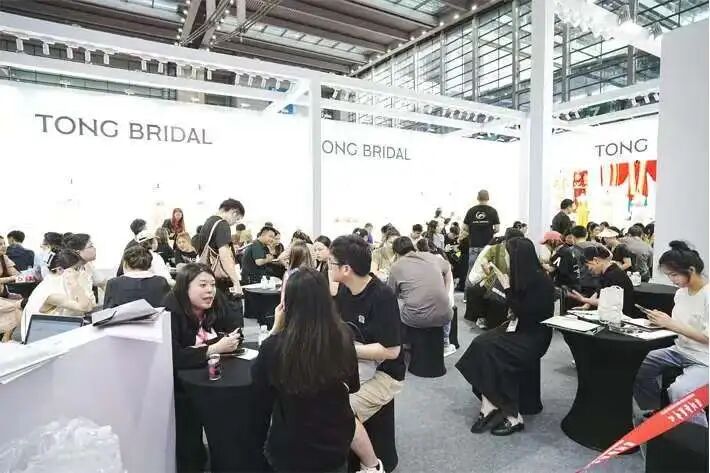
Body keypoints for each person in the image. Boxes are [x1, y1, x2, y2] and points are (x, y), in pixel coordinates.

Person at [252, 268, 385, 473]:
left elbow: (260, 390)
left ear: (287, 303)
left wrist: (275, 330)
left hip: (290, 450)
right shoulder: (344, 336)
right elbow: (353, 386)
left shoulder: (274, 346)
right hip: (334, 446)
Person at [456, 237, 554, 436]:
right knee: (480, 344)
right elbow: (512, 308)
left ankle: (512, 416)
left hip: (534, 337)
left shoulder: (542, 282)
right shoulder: (522, 275)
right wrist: (500, 283)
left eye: (509, 256)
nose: (507, 260)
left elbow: (526, 313)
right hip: (519, 329)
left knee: (490, 351)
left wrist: (507, 288)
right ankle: (489, 405)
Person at [164, 264, 243, 472]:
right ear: (185, 287)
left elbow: (235, 332)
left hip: (216, 376)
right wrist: (214, 347)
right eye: (202, 285)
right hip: (182, 387)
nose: (210, 290)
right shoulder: (171, 312)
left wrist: (205, 348)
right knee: (189, 441)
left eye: (212, 285)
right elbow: (175, 356)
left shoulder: (215, 302)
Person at [633, 241, 708, 426]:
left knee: (680, 391)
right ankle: (653, 411)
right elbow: (679, 326)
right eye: (669, 275)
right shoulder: (681, 293)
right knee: (638, 365)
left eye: (674, 275)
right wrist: (659, 321)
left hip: (705, 359)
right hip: (680, 350)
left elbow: (706, 338)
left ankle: (697, 437)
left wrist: (670, 323)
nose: (671, 280)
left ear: (691, 270)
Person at [331, 235, 405, 423]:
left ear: (346, 269)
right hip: (354, 362)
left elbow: (392, 351)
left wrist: (346, 349)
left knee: (335, 411)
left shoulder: (382, 296)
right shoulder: (345, 289)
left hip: (385, 372)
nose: (329, 267)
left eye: (331, 263)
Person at [390, 236, 455, 356]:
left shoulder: (396, 266)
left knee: (395, 302)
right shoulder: (431, 257)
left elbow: (391, 293)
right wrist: (446, 291)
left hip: (416, 319)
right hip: (445, 315)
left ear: (396, 253)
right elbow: (448, 269)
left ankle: (403, 342)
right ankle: (446, 343)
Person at [21, 249, 96, 341]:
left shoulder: (62, 281)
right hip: (41, 338)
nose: (80, 272)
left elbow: (91, 303)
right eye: (76, 269)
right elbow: (86, 307)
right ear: (60, 269)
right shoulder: (51, 291)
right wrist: (75, 283)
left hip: (59, 329)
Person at [468, 228, 525, 329]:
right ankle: (482, 317)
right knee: (476, 291)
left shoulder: (520, 252)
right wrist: (487, 267)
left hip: (512, 284)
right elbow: (484, 261)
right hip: (494, 281)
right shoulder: (496, 248)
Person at [568, 245, 635, 316]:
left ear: (596, 260)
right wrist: (586, 305)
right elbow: (598, 291)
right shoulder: (606, 272)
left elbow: (607, 302)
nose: (589, 269)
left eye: (588, 266)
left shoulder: (614, 275)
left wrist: (583, 299)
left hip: (620, 316)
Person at [197, 198, 245, 295]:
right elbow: (225, 257)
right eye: (237, 219)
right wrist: (236, 282)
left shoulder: (208, 222)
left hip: (206, 276)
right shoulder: (222, 224)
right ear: (234, 212)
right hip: (219, 280)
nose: (235, 223)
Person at [104, 246, 171, 308]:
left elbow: (107, 313)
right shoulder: (161, 281)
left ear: (125, 263)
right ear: (149, 264)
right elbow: (168, 309)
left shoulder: (113, 283)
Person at [463, 189, 500, 289]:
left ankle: (468, 294)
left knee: (471, 271)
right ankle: (485, 293)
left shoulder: (471, 210)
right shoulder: (493, 211)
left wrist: (473, 231)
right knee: (487, 271)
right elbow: (497, 229)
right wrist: (489, 232)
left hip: (474, 245)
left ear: (478, 198)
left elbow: (464, 227)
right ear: (488, 198)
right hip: (487, 247)